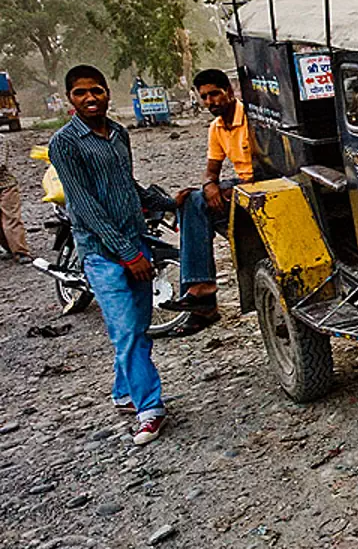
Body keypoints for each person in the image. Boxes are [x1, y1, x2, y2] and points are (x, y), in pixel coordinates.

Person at [49, 65, 173, 445]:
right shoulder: (65, 143)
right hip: (103, 254)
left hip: (134, 241)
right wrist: (126, 254)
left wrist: (168, 202)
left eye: (97, 91)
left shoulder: (119, 134)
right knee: (127, 333)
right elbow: (83, 206)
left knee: (136, 327)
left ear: (107, 93)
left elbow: (126, 187)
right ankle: (150, 409)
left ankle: (124, 392)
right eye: (81, 92)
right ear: (70, 98)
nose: (90, 98)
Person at [158, 69, 254, 336]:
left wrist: (218, 190)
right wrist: (210, 185)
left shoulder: (251, 117)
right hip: (238, 188)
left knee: (196, 204)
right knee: (190, 200)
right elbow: (211, 170)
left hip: (261, 184)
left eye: (215, 94)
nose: (211, 101)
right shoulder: (216, 127)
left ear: (229, 91)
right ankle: (200, 296)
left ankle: (203, 298)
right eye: (205, 97)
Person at [0, 125, 31, 264]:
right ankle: (8, 248)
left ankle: (20, 251)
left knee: (10, 219)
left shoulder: (1, 140)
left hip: (5, 185)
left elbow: (1, 164)